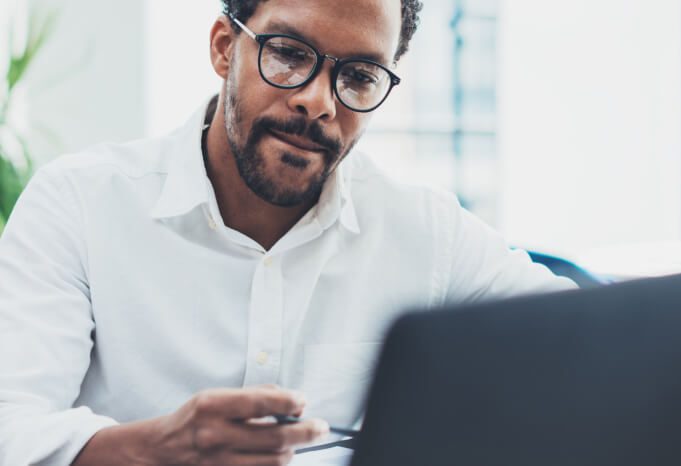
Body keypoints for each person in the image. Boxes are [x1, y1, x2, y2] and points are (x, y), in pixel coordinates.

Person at [0, 0, 574, 464]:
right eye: (290, 54)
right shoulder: (78, 202)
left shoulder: (424, 230)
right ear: (225, 48)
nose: (318, 101)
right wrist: (160, 448)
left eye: (359, 75)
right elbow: (11, 426)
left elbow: (580, 344)